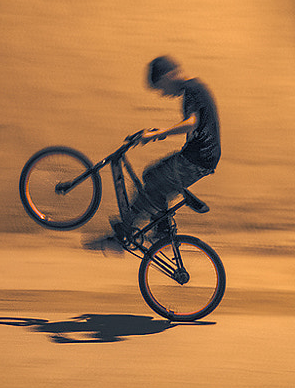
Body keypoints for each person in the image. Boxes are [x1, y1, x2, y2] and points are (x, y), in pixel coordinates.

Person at [87, 55, 221, 251]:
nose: (163, 94)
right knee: (152, 176)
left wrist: (161, 133)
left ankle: (128, 233)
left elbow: (192, 123)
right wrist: (154, 133)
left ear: (168, 76)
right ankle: (161, 230)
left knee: (154, 182)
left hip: (198, 158)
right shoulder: (193, 89)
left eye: (160, 87)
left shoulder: (192, 89)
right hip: (198, 156)